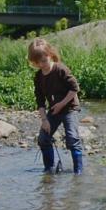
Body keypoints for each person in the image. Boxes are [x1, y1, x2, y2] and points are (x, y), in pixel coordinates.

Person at [28, 38, 84, 174]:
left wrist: (61, 104)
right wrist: (44, 120)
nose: (42, 65)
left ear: (50, 54)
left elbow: (75, 88)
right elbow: (40, 100)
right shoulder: (38, 77)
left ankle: (78, 171)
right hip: (54, 110)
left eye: (44, 60)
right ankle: (49, 169)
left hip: (70, 108)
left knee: (72, 138)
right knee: (43, 138)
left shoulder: (60, 69)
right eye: (38, 62)